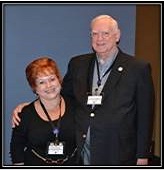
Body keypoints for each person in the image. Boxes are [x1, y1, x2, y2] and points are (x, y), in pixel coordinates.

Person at [11, 15, 155, 166]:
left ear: (117, 35)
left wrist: (142, 156)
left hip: (118, 152)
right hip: (81, 153)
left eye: (105, 33)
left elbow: (145, 115)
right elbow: (61, 96)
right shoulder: (78, 64)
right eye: (94, 34)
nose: (100, 39)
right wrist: (30, 107)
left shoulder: (138, 68)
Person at [10, 57, 77, 166]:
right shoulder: (25, 114)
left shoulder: (75, 106)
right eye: (42, 82)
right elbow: (16, 148)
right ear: (34, 87)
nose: (49, 86)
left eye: (52, 79)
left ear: (59, 80)